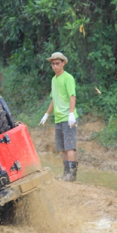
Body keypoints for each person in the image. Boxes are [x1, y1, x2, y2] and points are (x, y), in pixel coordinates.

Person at [39, 52, 78, 181]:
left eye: (57, 63)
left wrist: (71, 113)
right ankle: (66, 174)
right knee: (62, 149)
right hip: (58, 118)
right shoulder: (54, 79)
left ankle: (72, 175)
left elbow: (72, 96)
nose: (55, 66)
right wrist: (46, 114)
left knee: (70, 146)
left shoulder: (68, 78)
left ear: (63, 63)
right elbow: (53, 99)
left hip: (68, 118)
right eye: (53, 64)